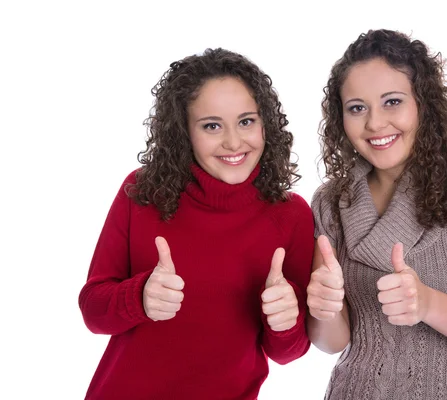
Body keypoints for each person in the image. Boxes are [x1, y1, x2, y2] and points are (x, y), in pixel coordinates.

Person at [78, 48, 314, 400]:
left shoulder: (291, 215)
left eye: (246, 121)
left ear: (266, 123)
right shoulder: (140, 193)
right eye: (212, 126)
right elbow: (93, 311)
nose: (234, 142)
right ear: (184, 133)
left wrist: (285, 319)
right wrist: (139, 297)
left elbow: (288, 352)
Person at [307, 29, 447, 399]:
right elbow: (332, 343)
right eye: (357, 108)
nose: (375, 123)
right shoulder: (330, 202)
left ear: (423, 104)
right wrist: (324, 307)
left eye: (392, 102)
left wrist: (427, 303)